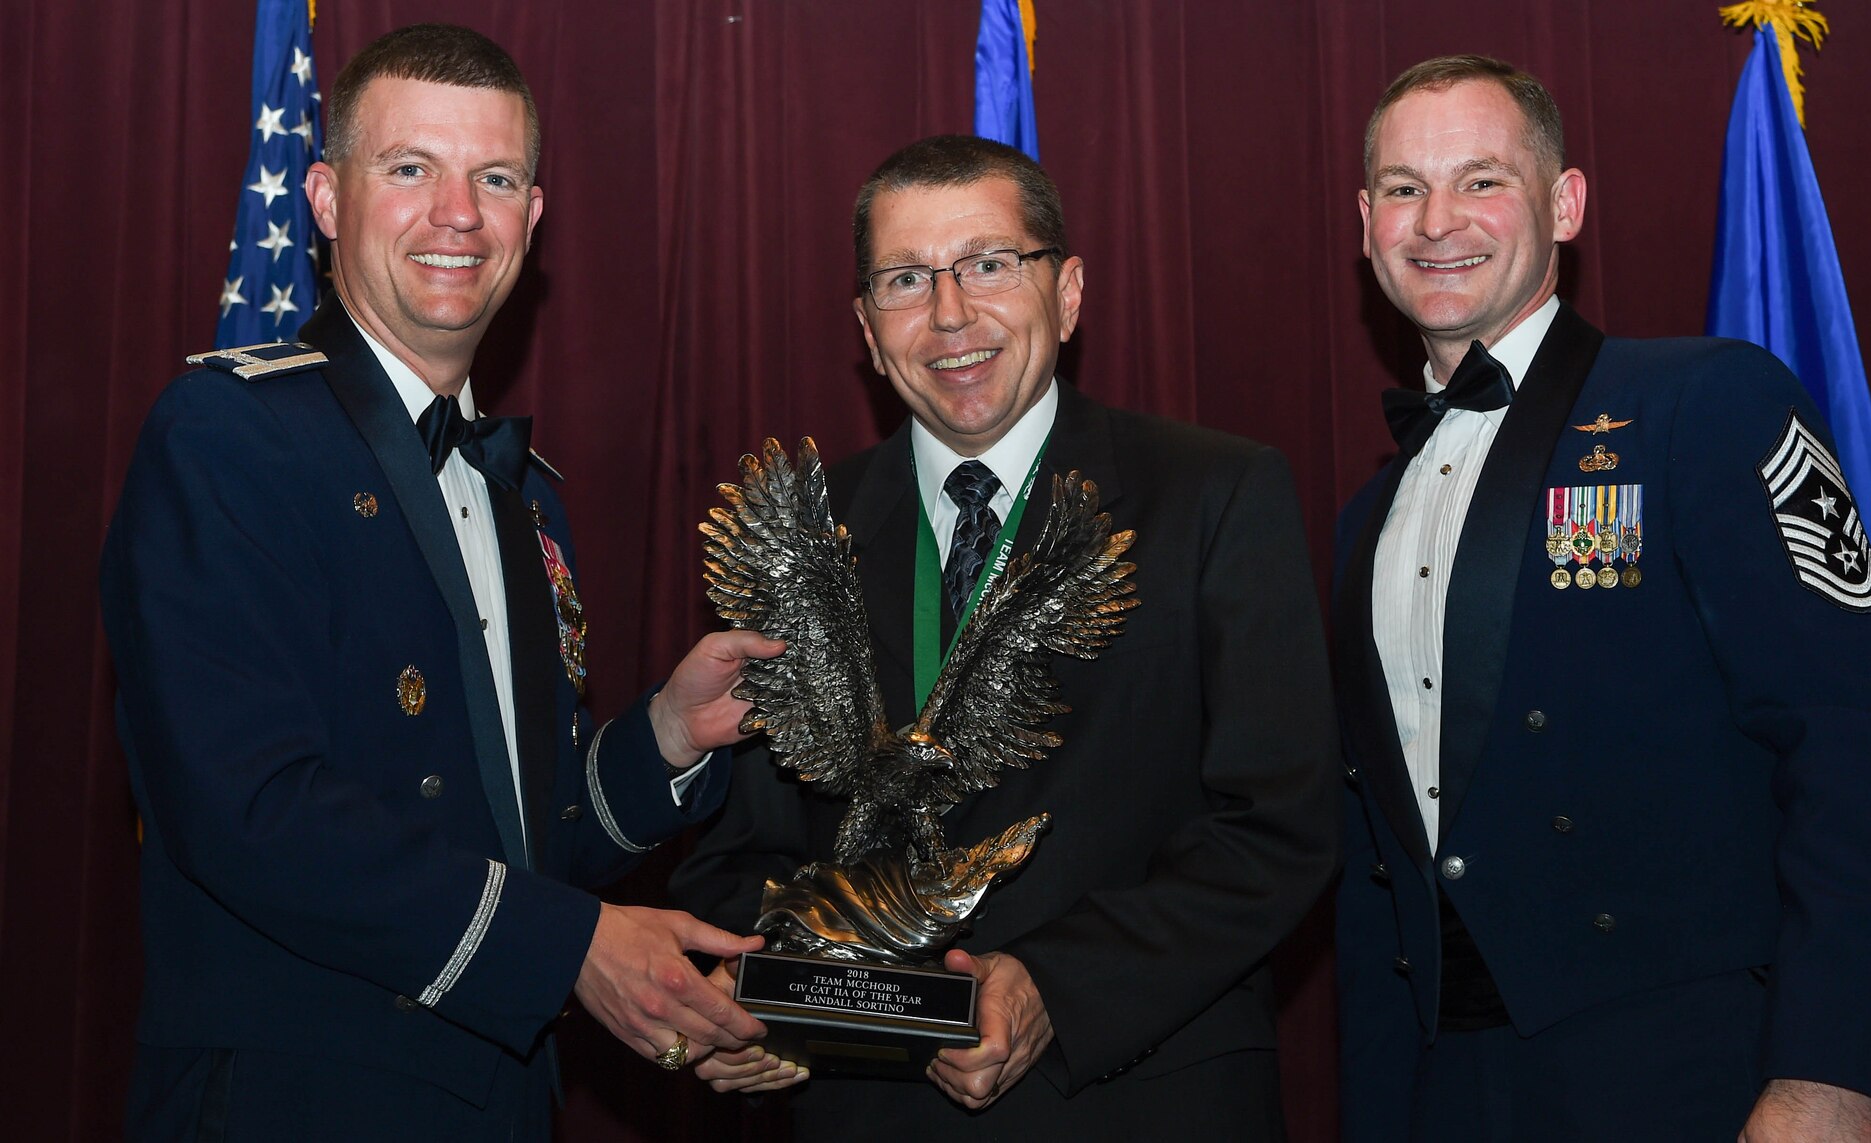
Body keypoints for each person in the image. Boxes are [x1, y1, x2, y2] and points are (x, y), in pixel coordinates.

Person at [101, 24, 780, 1141]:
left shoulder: (525, 494)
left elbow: (522, 836)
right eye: (409, 168)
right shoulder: (226, 436)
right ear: (324, 199)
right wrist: (569, 948)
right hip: (294, 1101)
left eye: (495, 177)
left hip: (495, 1099)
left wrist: (665, 733)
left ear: (534, 217)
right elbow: (247, 811)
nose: (457, 214)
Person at [669, 134, 1339, 1139]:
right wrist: (760, 991)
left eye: (988, 264)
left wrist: (1055, 989)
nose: (949, 315)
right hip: (870, 1112)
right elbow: (737, 852)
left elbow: (1278, 826)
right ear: (863, 323)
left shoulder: (1214, 495)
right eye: (905, 279)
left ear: (1066, 292)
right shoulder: (806, 526)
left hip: (1136, 1098)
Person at [1332, 54, 1871, 1141]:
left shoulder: (1704, 401)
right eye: (1401, 187)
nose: (1436, 221)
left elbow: (1851, 746)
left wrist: (1830, 1072)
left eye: (1480, 180)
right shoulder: (1359, 520)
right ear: (1364, 218)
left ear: (1563, 204)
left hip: (1689, 1071)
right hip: (1435, 1085)